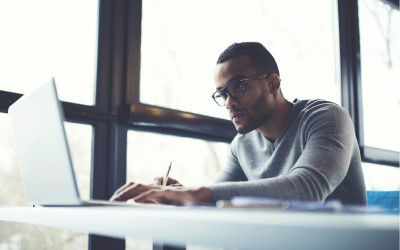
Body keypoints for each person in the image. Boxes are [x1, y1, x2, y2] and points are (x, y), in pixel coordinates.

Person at [110, 42, 367, 206]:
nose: (228, 103)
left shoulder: (326, 117)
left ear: (273, 84)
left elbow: (308, 188)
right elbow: (219, 196)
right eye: (222, 94)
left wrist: (197, 194)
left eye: (238, 87)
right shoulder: (241, 145)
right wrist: (182, 194)